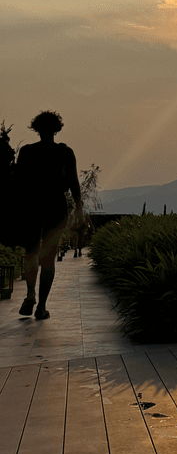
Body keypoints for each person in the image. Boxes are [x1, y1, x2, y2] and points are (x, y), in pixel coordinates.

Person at [14, 110, 82, 320]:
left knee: (31, 253)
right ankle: (41, 306)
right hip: (56, 206)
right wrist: (78, 208)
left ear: (37, 129)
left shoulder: (26, 152)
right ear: (56, 129)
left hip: (31, 206)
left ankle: (30, 294)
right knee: (48, 258)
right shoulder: (65, 152)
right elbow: (73, 182)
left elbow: (17, 183)